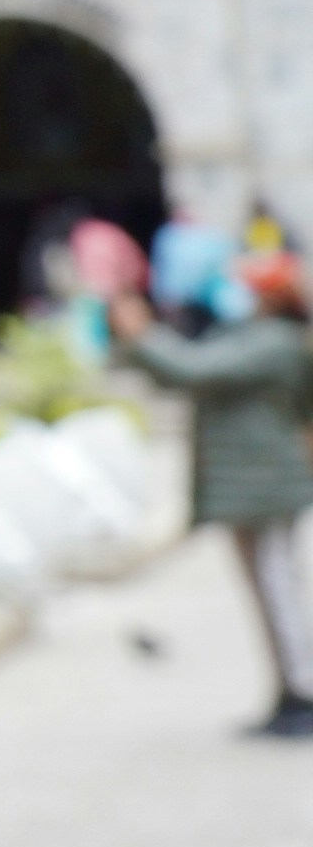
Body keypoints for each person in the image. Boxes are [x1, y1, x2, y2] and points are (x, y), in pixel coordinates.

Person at [112, 248, 313, 739]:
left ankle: (302, 689)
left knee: (277, 588)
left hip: (266, 483)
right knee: (269, 587)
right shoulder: (251, 336)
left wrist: (143, 333)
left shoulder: (275, 342)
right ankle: (288, 688)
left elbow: (195, 370)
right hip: (253, 483)